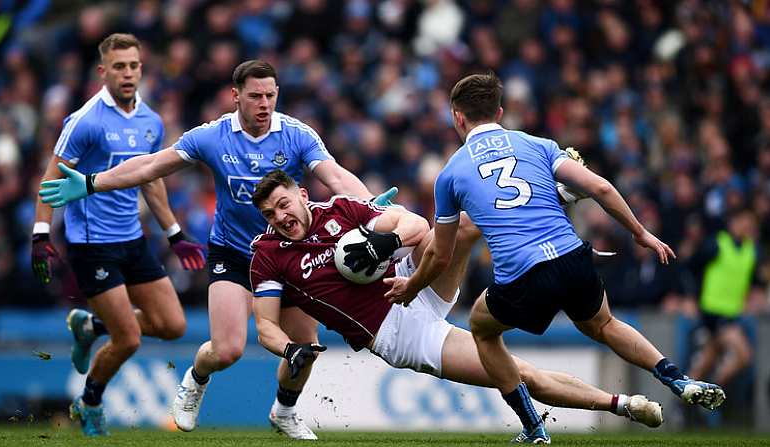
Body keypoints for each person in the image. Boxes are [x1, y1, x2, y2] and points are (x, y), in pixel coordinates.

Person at [39, 60, 395, 439]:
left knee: (305, 347)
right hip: (235, 252)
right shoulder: (212, 136)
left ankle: (284, 411)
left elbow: (334, 174)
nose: (264, 104)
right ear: (235, 95)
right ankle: (195, 379)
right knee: (226, 350)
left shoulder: (296, 134)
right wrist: (93, 183)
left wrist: (371, 203)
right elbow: (152, 166)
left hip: (288, 255)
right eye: (255, 95)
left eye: (270, 95)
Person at [384, 72, 726, 421]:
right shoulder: (538, 145)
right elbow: (602, 189)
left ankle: (533, 426)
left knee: (481, 329)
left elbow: (440, 255)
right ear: (499, 113)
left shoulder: (451, 174)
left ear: (457, 117)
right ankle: (677, 377)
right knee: (604, 325)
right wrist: (640, 232)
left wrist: (412, 285)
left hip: (522, 273)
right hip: (572, 256)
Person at [248, 169, 664, 444]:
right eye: (270, 213)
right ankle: (622, 404)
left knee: (462, 225)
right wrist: (288, 349)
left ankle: (552, 196)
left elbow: (414, 224)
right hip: (398, 333)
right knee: (522, 374)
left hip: (411, 284)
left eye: (284, 204)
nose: (281, 216)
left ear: (301, 195)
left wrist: (386, 242)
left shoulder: (338, 209)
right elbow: (266, 325)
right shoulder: (267, 254)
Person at [31, 33, 205, 437]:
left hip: (133, 238)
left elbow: (151, 180)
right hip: (92, 244)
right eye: (119, 66)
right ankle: (89, 402)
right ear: (103, 71)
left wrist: (175, 233)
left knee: (173, 325)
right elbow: (50, 178)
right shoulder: (85, 121)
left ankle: (91, 327)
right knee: (128, 338)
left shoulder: (151, 122)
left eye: (134, 66)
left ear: (142, 68)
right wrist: (41, 234)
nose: (128, 73)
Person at [688, 208, 759, 388]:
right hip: (714, 312)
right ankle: (712, 392)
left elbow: (752, 280)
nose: (747, 226)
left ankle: (683, 401)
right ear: (733, 222)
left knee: (707, 360)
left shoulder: (751, 250)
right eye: (744, 221)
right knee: (744, 355)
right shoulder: (717, 244)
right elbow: (691, 266)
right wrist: (691, 297)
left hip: (732, 312)